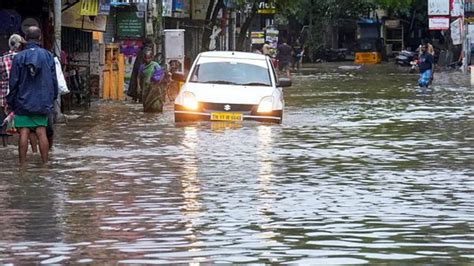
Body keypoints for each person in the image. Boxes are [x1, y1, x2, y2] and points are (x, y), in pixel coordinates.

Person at [7, 26, 58, 164]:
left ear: (26, 39)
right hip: (42, 102)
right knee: (41, 131)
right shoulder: (48, 56)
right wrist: (52, 98)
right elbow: (54, 81)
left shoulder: (18, 58)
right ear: (40, 37)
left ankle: (22, 166)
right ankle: (45, 165)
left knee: (23, 132)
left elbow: (13, 83)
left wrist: (11, 102)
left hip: (22, 101)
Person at [1, 34, 26, 146]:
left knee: (3, 123)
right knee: (23, 125)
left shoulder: (1, 59)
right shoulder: (23, 59)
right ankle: (21, 147)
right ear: (20, 45)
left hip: (3, 96)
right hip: (21, 96)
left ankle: (5, 146)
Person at [127, 38, 154, 102]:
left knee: (137, 84)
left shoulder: (142, 49)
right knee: (142, 85)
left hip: (138, 69)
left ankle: (136, 97)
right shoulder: (147, 50)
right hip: (143, 70)